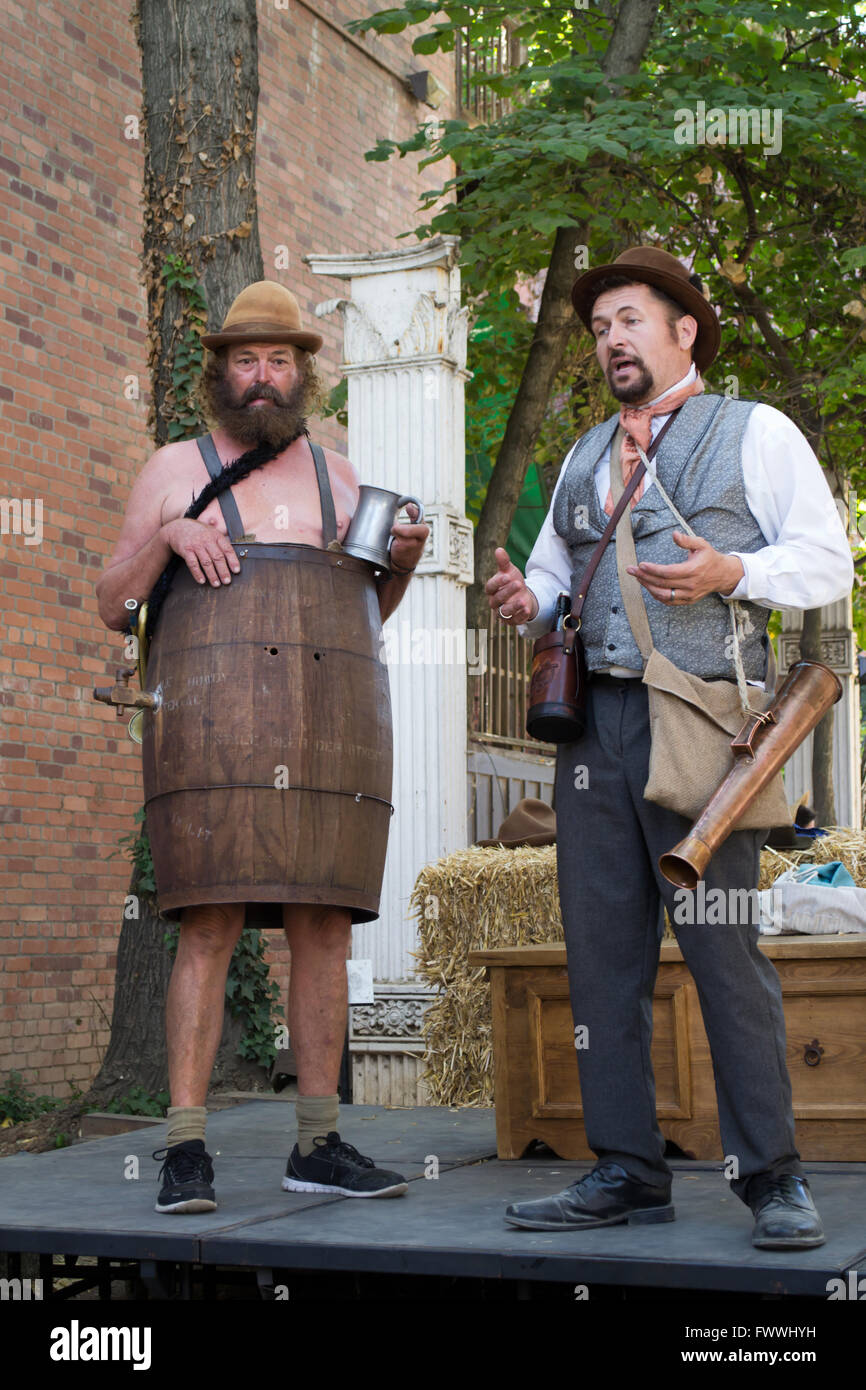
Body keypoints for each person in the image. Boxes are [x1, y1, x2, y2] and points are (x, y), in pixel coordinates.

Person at [485, 246, 853, 1248]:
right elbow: (554, 577)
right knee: (601, 960)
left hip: (700, 724)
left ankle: (772, 1177)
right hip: (592, 731)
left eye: (629, 320)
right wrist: (527, 601)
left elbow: (827, 561)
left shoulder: (754, 431)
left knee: (723, 955)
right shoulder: (581, 454)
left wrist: (733, 570)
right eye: (600, 326)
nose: (610, 339)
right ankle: (625, 1169)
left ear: (683, 331)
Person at [96, 282, 428, 1212]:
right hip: (211, 725)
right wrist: (168, 535)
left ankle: (318, 1143)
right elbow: (114, 604)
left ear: (302, 375)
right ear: (220, 373)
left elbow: (363, 616)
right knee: (208, 921)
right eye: (246, 359)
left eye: (280, 360)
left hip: (329, 725)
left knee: (326, 924)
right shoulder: (174, 468)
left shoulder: (341, 478)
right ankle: (184, 1148)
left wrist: (400, 566)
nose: (263, 376)